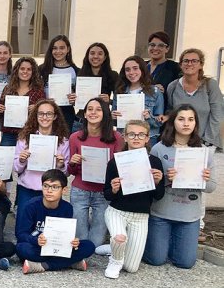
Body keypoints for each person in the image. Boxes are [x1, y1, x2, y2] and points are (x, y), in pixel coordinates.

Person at [145, 105, 217, 269]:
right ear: (173, 122)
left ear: (196, 123)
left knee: (185, 263)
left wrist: (204, 180)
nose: (186, 123)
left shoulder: (204, 152)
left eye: (191, 119)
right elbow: (149, 184)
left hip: (188, 217)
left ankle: (171, 241)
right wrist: (164, 179)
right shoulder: (159, 149)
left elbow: (212, 187)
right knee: (156, 260)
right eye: (181, 119)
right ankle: (161, 242)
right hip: (161, 213)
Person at [103, 120, 165, 278]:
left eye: (140, 134)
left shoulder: (155, 163)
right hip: (117, 212)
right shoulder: (115, 162)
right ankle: (115, 259)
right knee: (119, 238)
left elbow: (159, 196)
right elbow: (107, 195)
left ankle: (114, 247)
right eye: (131, 134)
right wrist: (114, 189)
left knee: (131, 267)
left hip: (140, 217)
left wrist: (157, 182)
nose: (136, 138)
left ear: (147, 138)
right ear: (124, 137)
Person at [67, 98, 124, 251]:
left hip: (103, 192)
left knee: (95, 244)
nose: (93, 112)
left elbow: (120, 168)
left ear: (105, 114)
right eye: (90, 109)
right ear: (84, 114)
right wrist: (72, 162)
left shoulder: (116, 138)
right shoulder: (75, 137)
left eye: (98, 109)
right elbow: (70, 171)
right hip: (80, 190)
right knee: (81, 240)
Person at [16, 169, 96, 274]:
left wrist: (73, 242)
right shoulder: (31, 206)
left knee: (89, 246)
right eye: (45, 186)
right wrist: (36, 240)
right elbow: (21, 234)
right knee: (21, 248)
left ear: (64, 190)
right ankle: (70, 262)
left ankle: (43, 265)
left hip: (58, 247)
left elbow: (65, 234)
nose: (49, 190)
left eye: (54, 187)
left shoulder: (67, 208)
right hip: (38, 246)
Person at [13, 99, 69, 209]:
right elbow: (16, 169)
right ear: (36, 115)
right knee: (23, 224)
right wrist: (21, 160)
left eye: (49, 114)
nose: (44, 117)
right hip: (27, 189)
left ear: (55, 117)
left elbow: (66, 173)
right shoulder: (24, 139)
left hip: (52, 190)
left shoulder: (63, 142)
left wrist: (60, 165)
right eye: (41, 113)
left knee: (48, 225)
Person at [166, 48, 222, 150]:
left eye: (194, 61)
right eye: (186, 61)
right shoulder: (172, 87)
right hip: (180, 143)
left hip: (206, 143)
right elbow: (170, 112)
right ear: (181, 64)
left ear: (201, 64)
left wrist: (206, 141)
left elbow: (217, 116)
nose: (189, 64)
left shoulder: (210, 85)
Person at [0, 57, 45, 146]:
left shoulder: (38, 91)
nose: (25, 71)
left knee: (26, 159)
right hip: (9, 134)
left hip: (29, 134)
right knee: (6, 159)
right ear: (17, 70)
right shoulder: (8, 89)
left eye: (29, 69)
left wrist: (37, 109)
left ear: (33, 72)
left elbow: (44, 112)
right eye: (22, 69)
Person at [113, 56, 164, 144]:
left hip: (148, 140)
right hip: (125, 139)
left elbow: (159, 122)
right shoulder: (119, 92)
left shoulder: (155, 92)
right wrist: (113, 117)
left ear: (142, 70)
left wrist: (149, 117)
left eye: (135, 68)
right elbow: (114, 122)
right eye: (127, 70)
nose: (131, 72)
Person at [39, 35, 79, 130]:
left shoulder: (75, 71)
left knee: (63, 141)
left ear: (68, 49)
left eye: (62, 48)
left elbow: (79, 96)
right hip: (45, 112)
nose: (58, 52)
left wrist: (75, 99)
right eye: (55, 48)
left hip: (66, 113)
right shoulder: (42, 69)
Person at [145, 31, 181, 104]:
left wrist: (165, 91)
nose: (155, 48)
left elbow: (179, 92)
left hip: (163, 111)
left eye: (161, 46)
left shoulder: (175, 68)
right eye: (152, 45)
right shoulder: (140, 66)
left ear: (167, 49)